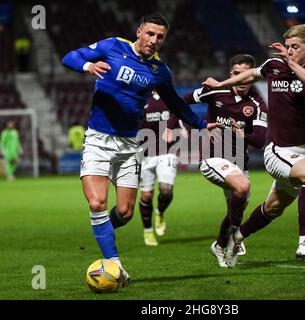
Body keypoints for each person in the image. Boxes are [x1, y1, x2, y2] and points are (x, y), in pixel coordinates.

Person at [61, 12, 220, 283]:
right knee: (97, 202)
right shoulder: (113, 46)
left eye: (160, 37)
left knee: (124, 213)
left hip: (129, 145)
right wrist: (88, 67)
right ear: (139, 31)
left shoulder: (160, 71)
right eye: (150, 33)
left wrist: (202, 125)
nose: (154, 40)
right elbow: (70, 57)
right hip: (98, 140)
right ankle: (115, 266)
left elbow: (177, 105)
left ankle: (103, 231)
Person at [203, 24, 305, 267]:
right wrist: (221, 84)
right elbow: (250, 75)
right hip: (278, 150)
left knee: (272, 209)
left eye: (295, 47)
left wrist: (291, 64)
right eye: (288, 47)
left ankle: (233, 239)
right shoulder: (274, 66)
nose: (290, 52)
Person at [167, 54, 268, 267]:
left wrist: (241, 133)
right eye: (236, 74)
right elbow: (181, 102)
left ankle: (221, 244)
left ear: (252, 76)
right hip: (212, 159)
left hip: (240, 164)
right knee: (242, 187)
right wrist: (170, 127)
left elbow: (259, 141)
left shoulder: (257, 104)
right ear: (230, 75)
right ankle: (233, 238)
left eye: (245, 75)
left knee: (235, 210)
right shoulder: (216, 91)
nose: (240, 80)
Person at [138, 90, 188, 246]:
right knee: (146, 196)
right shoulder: (139, 98)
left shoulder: (170, 97)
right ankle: (148, 231)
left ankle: (160, 212)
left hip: (167, 151)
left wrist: (182, 129)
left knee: (166, 190)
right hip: (144, 154)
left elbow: (178, 115)